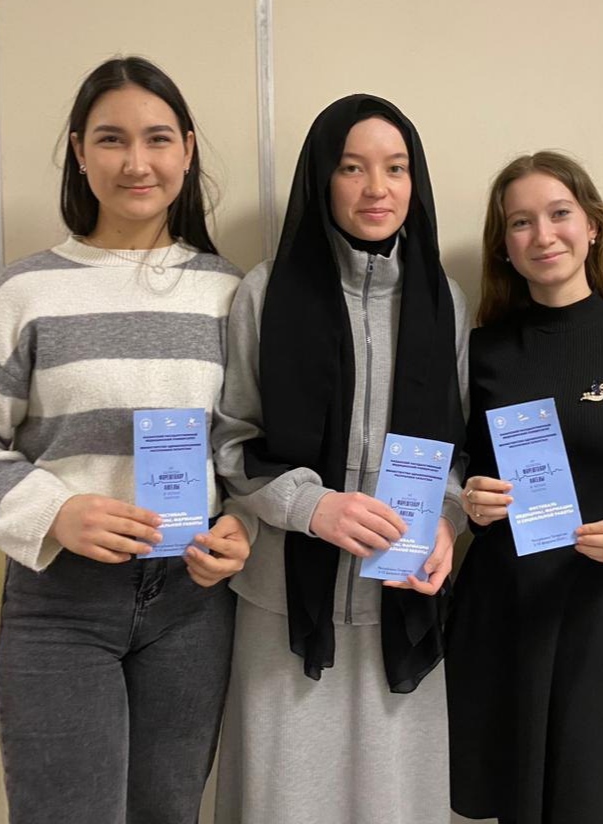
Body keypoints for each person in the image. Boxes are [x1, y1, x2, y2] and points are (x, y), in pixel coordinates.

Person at [0, 56, 250, 823]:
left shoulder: (228, 293)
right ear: (78, 151)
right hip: (61, 602)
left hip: (191, 605)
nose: (136, 162)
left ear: (187, 150)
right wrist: (56, 512)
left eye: (157, 138)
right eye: (111, 139)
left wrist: (246, 525)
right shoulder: (25, 292)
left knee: (168, 812)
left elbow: (247, 447)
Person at [211, 94, 470, 824]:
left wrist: (447, 520)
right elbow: (232, 439)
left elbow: (456, 449)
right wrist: (312, 506)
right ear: (321, 177)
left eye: (396, 168)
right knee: (284, 802)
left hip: (403, 600)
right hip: (285, 604)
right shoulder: (265, 292)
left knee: (397, 805)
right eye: (352, 167)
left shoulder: (443, 301)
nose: (376, 188)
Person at [446, 151, 603, 824]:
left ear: (592, 225)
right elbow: (453, 462)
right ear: (503, 245)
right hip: (504, 605)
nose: (543, 235)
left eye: (559, 213)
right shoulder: (478, 353)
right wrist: (469, 498)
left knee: (602, 797)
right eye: (520, 222)